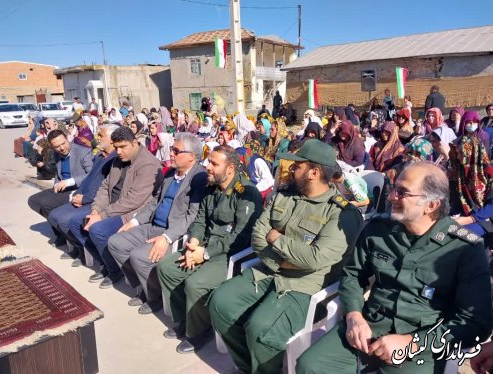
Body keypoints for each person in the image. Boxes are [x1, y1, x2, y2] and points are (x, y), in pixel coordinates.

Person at [296, 162, 493, 374]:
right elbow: (353, 275)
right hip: (370, 327)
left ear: (431, 205)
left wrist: (412, 343)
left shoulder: (464, 248)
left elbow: (475, 323)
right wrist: (354, 315)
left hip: (421, 345)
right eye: (393, 189)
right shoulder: (379, 230)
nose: (391, 197)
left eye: (402, 193)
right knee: (310, 365)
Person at [209, 139, 363, 373]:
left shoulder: (343, 213)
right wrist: (282, 259)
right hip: (266, 271)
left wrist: (277, 239)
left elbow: (313, 259)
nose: (291, 168)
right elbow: (258, 235)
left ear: (314, 172)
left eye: (297, 165)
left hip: (304, 285)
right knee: (220, 303)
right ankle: (249, 366)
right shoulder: (284, 194)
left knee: (260, 328)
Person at [157, 145, 263, 354]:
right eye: (208, 161)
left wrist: (204, 254)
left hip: (228, 254)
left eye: (214, 163)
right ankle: (183, 319)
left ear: (230, 168)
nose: (207, 166)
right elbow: (199, 220)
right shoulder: (211, 187)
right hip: (203, 245)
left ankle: (198, 330)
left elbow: (241, 238)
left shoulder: (247, 193)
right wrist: (195, 241)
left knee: (195, 283)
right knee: (166, 267)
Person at [108, 133, 207, 314]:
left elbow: (193, 215)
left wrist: (167, 237)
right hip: (152, 225)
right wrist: (136, 221)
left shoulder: (199, 178)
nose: (170, 154)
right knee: (116, 243)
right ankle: (148, 285)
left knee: (138, 256)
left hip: (171, 232)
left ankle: (154, 297)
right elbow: (155, 201)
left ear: (192, 157)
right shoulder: (170, 173)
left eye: (176, 151)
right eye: (171, 150)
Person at [68, 127, 160, 288]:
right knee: (76, 223)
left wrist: (102, 215)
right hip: (110, 208)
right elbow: (105, 187)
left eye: (123, 147)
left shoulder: (148, 164)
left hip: (130, 213)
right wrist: (96, 209)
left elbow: (134, 200)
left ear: (134, 143)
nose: (118, 151)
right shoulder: (118, 160)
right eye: (116, 147)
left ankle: (115, 270)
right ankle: (107, 263)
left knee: (98, 230)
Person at [47, 124, 119, 265]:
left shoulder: (115, 159)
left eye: (100, 135)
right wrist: (78, 194)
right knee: (54, 216)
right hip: (84, 196)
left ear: (112, 139)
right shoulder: (100, 155)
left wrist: (85, 199)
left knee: (69, 221)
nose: (96, 138)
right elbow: (89, 179)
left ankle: (105, 263)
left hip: (96, 201)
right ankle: (82, 249)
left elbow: (105, 187)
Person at [28, 129, 93, 244]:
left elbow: (91, 175)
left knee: (46, 203)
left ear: (68, 138)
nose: (62, 148)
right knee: (33, 200)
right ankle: (60, 231)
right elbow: (59, 174)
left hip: (77, 189)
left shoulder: (83, 152)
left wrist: (70, 182)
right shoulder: (56, 154)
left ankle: (68, 236)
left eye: (63, 143)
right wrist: (56, 185)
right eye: (57, 146)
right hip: (62, 187)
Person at [449, 136, 493, 239]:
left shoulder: (490, 173)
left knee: (458, 235)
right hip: (466, 214)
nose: (458, 157)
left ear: (471, 153)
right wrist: (453, 216)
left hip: (486, 218)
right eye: (456, 153)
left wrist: (470, 219)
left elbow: (492, 207)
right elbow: (458, 199)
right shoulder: (461, 172)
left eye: (461, 153)